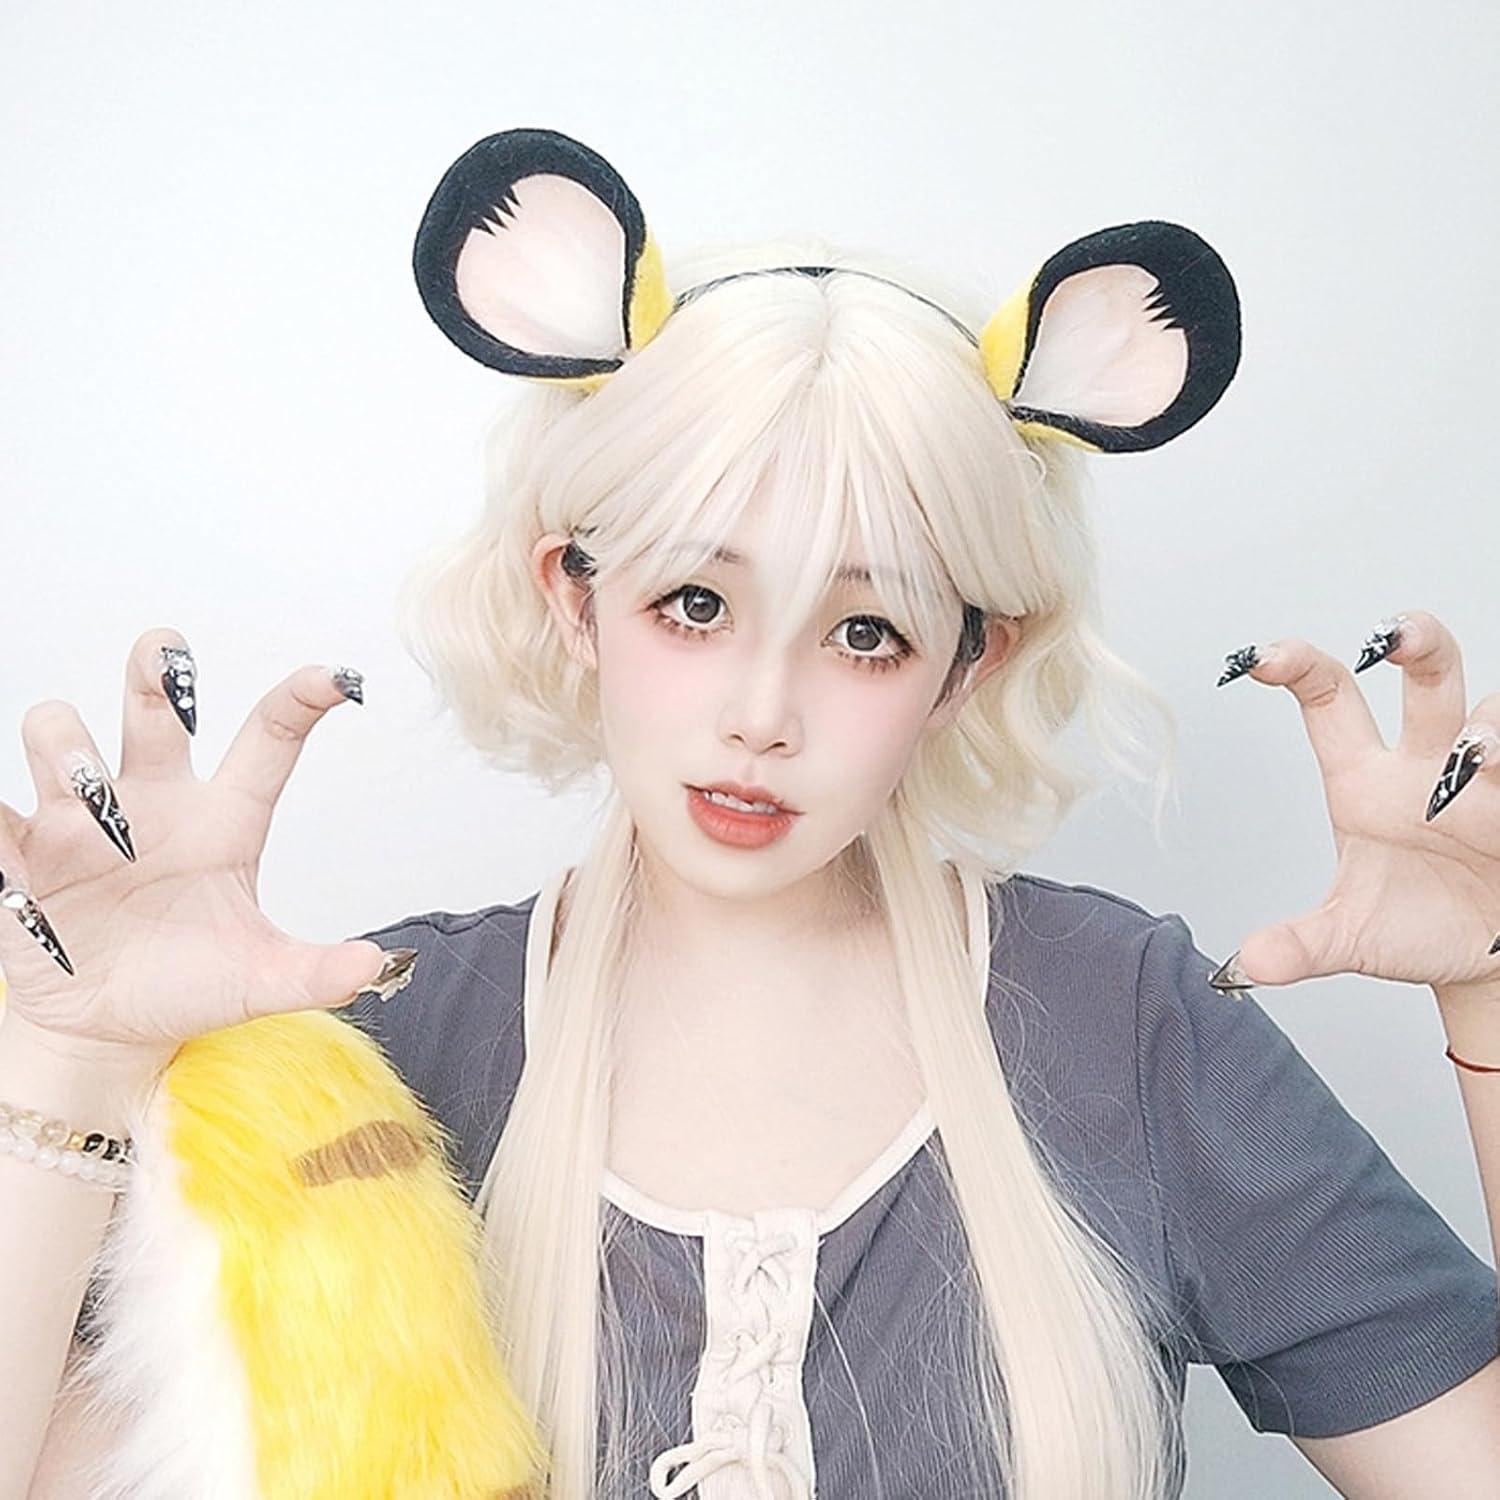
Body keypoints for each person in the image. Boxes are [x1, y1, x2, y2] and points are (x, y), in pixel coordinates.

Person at [3, 125, 1499, 1500]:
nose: (762, 713)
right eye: (697, 603)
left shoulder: (1132, 1029)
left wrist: (1496, 993)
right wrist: (68, 1059)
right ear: (575, 599)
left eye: (868, 632)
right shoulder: (373, 1061)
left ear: (968, 666)